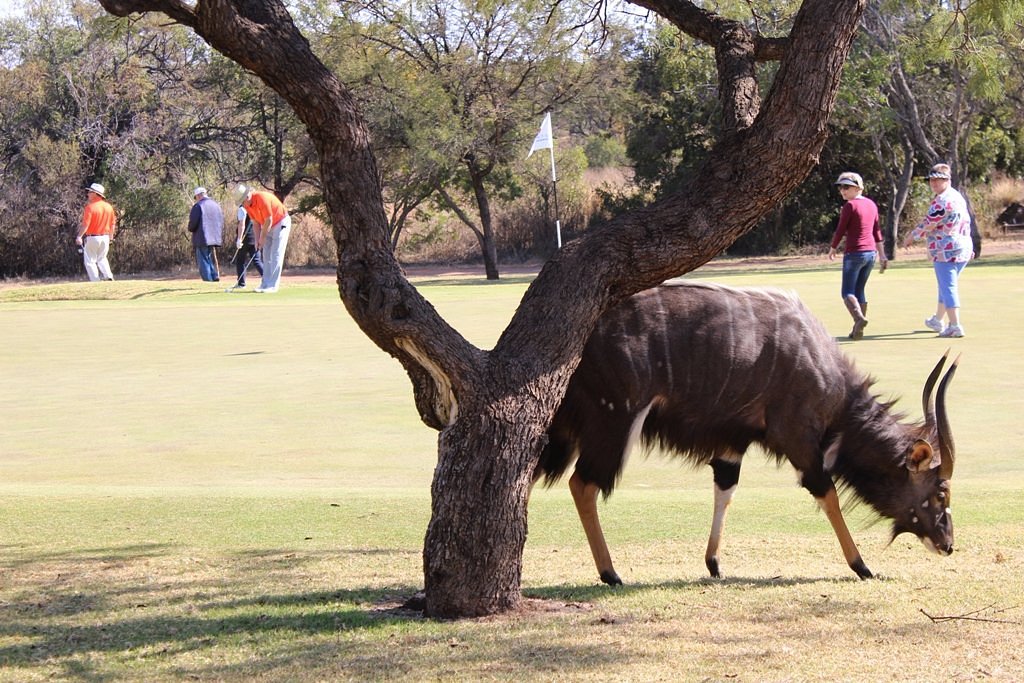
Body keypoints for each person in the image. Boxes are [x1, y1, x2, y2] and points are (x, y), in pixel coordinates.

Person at [902, 163, 973, 338]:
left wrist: (911, 236)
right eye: (931, 180)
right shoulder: (957, 196)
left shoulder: (942, 201)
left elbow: (928, 223)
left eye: (938, 179)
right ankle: (938, 320)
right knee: (945, 285)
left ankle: (955, 325)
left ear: (947, 179)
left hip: (946, 250)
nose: (934, 183)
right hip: (962, 247)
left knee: (948, 287)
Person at [828, 171, 887, 340]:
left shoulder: (850, 206)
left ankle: (859, 319)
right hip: (870, 254)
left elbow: (840, 229)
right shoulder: (871, 204)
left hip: (854, 253)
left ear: (858, 188)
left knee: (847, 292)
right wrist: (882, 255)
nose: (843, 190)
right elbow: (877, 232)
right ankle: (857, 330)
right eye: (841, 187)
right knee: (859, 290)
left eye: (846, 187)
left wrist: (833, 247)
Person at [234, 184, 291, 293]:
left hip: (280, 222)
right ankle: (265, 284)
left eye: (242, 201)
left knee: (276, 254)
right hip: (266, 225)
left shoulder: (261, 198)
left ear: (247, 197)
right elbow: (255, 223)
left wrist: (262, 238)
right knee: (266, 255)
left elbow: (269, 220)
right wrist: (257, 240)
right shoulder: (247, 206)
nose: (242, 204)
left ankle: (273, 286)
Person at [74, 182, 117, 281]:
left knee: (90, 261)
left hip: (93, 237)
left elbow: (85, 225)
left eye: (90, 192)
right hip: (105, 237)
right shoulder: (109, 207)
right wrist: (111, 237)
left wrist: (79, 236)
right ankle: (109, 277)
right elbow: (113, 224)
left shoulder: (90, 207)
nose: (88, 194)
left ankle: (95, 281)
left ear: (95, 194)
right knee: (102, 258)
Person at [187, 187, 225, 282]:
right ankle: (214, 276)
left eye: (196, 197)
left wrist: (190, 228)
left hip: (202, 236)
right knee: (208, 257)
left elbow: (193, 223)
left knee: (203, 259)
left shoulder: (198, 206)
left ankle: (208, 279)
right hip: (214, 236)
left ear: (199, 195)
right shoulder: (216, 205)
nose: (196, 199)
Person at [232, 204, 264, 288]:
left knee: (241, 261)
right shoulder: (256, 207)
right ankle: (268, 279)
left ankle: (241, 283)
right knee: (257, 260)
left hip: (245, 239)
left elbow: (241, 224)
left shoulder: (242, 208)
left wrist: (239, 239)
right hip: (255, 237)